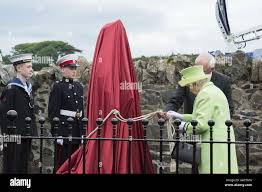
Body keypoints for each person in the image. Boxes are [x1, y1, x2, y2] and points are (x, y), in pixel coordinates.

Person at [169, 65, 238, 173]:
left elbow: (201, 125)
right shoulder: (212, 90)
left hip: (213, 145)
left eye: (189, 85)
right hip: (220, 142)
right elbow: (203, 117)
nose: (189, 89)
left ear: (196, 83)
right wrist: (180, 116)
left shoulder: (205, 94)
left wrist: (181, 126)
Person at [162, 53, 234, 119]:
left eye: (203, 71)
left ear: (212, 68)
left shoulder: (224, 81)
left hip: (214, 129)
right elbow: (176, 100)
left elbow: (229, 108)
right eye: (197, 69)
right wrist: (166, 112)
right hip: (190, 126)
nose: (200, 74)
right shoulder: (187, 78)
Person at [0, 53, 38, 174]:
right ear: (19, 68)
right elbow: (5, 115)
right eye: (28, 66)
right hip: (14, 136)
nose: (31, 69)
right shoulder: (11, 89)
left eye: (31, 66)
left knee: (23, 165)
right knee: (13, 166)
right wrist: (8, 136)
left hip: (26, 133)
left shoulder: (27, 86)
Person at [48, 54, 84, 169]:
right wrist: (57, 134)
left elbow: (81, 110)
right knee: (62, 164)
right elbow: (53, 112)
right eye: (71, 68)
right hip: (64, 131)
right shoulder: (58, 87)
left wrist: (83, 132)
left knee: (75, 165)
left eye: (75, 68)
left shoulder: (78, 86)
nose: (74, 71)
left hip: (77, 131)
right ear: (62, 69)